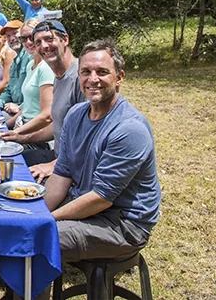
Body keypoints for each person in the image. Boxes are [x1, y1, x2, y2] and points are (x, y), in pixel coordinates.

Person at [45, 38, 161, 265]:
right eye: (86, 71)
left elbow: (101, 198)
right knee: (22, 213)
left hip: (122, 223)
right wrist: (36, 213)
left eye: (102, 72)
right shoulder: (76, 114)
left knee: (39, 238)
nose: (93, 79)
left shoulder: (129, 129)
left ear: (119, 77)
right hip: (86, 203)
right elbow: (62, 174)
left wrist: (47, 220)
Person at [5, 20, 85, 170]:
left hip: (73, 166)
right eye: (38, 42)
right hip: (59, 156)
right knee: (6, 160)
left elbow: (88, 138)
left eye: (49, 39)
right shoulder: (58, 75)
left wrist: (53, 165)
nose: (44, 46)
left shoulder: (82, 77)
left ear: (65, 39)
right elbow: (58, 126)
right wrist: (21, 137)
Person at [1, 19, 54, 150]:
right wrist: (5, 126)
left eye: (31, 37)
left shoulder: (45, 68)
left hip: (38, 137)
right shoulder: (31, 65)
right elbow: (27, 108)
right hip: (23, 126)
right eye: (23, 39)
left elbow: (47, 116)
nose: (28, 42)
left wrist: (18, 133)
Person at [0, 19, 30, 117]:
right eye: (8, 36)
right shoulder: (15, 61)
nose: (12, 38)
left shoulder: (31, 57)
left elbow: (36, 96)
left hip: (24, 112)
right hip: (10, 108)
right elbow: (9, 89)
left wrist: (20, 107)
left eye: (15, 33)